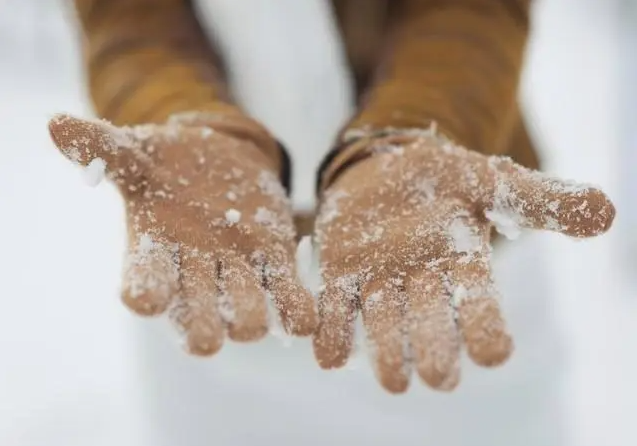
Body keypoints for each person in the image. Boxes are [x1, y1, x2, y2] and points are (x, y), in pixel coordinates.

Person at [48, 0, 615, 444]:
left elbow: (471, 8)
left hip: (440, 252)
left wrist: (410, 129)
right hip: (208, 257)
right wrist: (179, 115)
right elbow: (128, 18)